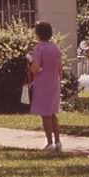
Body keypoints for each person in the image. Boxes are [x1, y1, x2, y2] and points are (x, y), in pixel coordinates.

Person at [29, 21, 63, 152]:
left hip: (43, 82)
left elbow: (35, 68)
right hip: (54, 81)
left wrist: (30, 64)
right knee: (53, 113)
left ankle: (49, 142)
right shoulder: (56, 47)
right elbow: (60, 68)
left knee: (45, 114)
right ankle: (58, 141)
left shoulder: (39, 48)